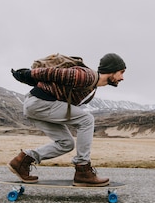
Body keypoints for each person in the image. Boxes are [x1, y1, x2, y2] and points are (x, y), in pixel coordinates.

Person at [8, 53, 126, 187]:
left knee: (66, 143)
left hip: (38, 106)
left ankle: (22, 161)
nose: (122, 77)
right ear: (111, 70)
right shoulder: (87, 76)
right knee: (87, 119)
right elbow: (52, 73)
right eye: (121, 72)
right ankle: (83, 170)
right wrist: (27, 74)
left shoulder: (92, 85)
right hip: (39, 103)